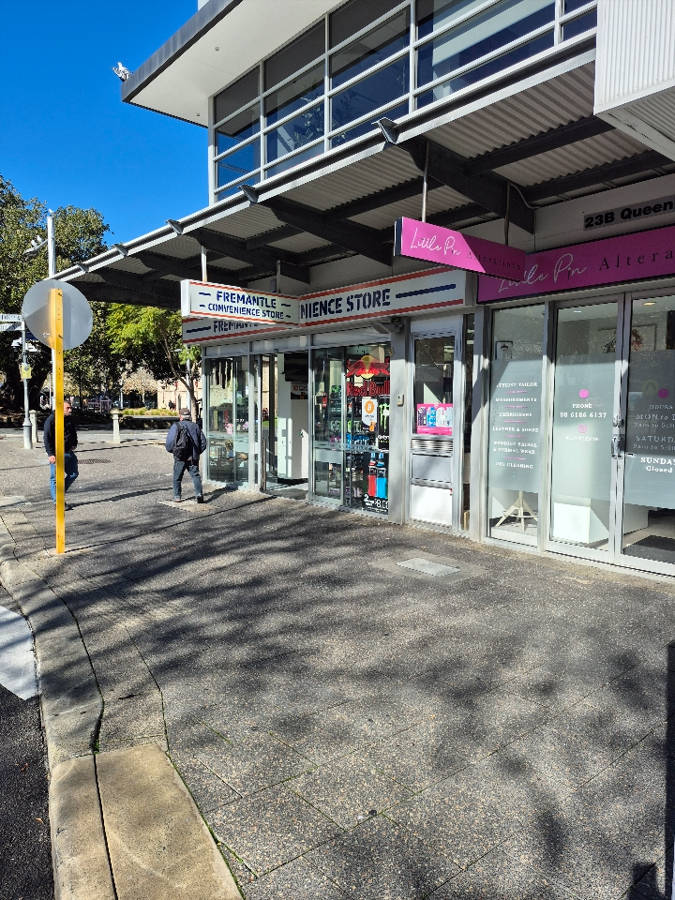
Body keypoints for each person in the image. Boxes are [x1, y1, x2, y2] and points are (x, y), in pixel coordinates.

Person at [165, 407, 207, 503]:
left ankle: (177, 496)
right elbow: (204, 442)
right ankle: (199, 494)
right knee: (195, 476)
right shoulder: (196, 426)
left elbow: (169, 443)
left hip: (180, 457)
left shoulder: (176, 426)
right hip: (193, 457)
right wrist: (197, 452)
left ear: (180, 417)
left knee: (177, 477)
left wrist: (174, 451)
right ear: (189, 417)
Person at [43, 401, 79, 508]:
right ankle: (58, 502)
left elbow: (73, 432)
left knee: (73, 474)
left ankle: (59, 494)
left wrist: (74, 443)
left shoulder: (69, 419)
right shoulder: (51, 419)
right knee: (55, 479)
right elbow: (47, 437)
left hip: (68, 452)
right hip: (57, 454)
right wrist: (50, 454)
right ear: (60, 408)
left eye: (70, 408)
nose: (70, 410)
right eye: (67, 408)